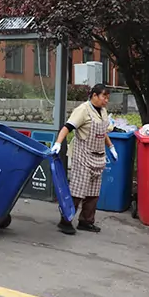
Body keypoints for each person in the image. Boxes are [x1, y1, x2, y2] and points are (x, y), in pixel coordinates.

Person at [50, 84, 118, 235]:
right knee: (77, 191)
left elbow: (103, 131)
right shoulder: (82, 110)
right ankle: (65, 220)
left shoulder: (103, 111)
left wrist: (111, 147)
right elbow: (67, 127)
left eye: (107, 98)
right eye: (103, 97)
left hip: (99, 156)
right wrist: (58, 143)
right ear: (94, 95)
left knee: (93, 192)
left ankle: (86, 221)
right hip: (83, 156)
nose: (106, 100)